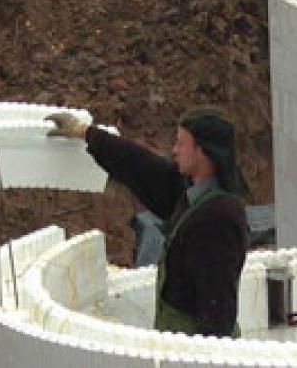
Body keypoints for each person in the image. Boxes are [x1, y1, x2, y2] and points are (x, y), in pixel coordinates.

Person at [46, 107, 249, 337]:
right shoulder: (190, 191)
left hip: (195, 352)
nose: (175, 150)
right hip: (178, 344)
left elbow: (218, 311)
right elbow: (140, 166)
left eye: (181, 144)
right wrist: (87, 133)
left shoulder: (219, 219)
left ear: (203, 151)